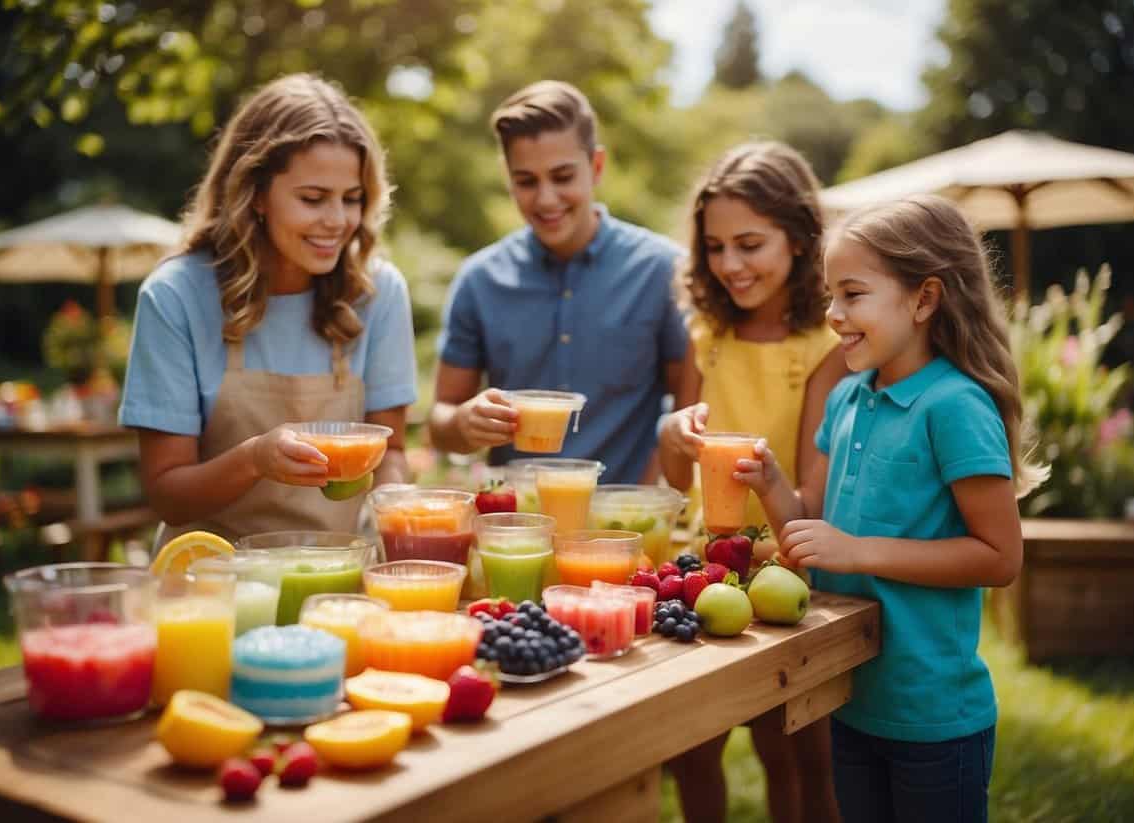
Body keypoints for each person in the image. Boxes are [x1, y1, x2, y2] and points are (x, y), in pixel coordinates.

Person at [738, 194, 1046, 823]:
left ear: (924, 300)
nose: (833, 314)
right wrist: (772, 487)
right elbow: (809, 524)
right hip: (853, 695)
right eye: (831, 296)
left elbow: (1000, 556)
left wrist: (858, 551)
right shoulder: (849, 399)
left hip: (932, 716)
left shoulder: (955, 406)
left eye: (852, 295)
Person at [119, 73, 417, 544]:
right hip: (210, 586)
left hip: (335, 582)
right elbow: (166, 493)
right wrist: (255, 459)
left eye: (352, 199)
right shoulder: (175, 296)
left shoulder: (377, 293)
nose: (337, 221)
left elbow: (392, 449)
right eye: (313, 198)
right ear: (255, 193)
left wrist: (402, 512)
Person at [657, 142, 847, 823]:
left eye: (749, 243)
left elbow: (812, 499)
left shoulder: (825, 347)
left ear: (798, 239)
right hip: (701, 570)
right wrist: (670, 436)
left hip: (785, 571)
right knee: (690, 748)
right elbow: (676, 480)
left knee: (797, 753)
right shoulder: (707, 336)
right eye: (715, 247)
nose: (730, 265)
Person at [429, 80, 687, 483]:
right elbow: (440, 421)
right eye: (527, 181)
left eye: (563, 176)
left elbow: (688, 409)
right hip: (516, 526)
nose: (546, 199)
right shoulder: (479, 281)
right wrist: (463, 422)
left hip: (623, 524)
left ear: (596, 167)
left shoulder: (663, 271)